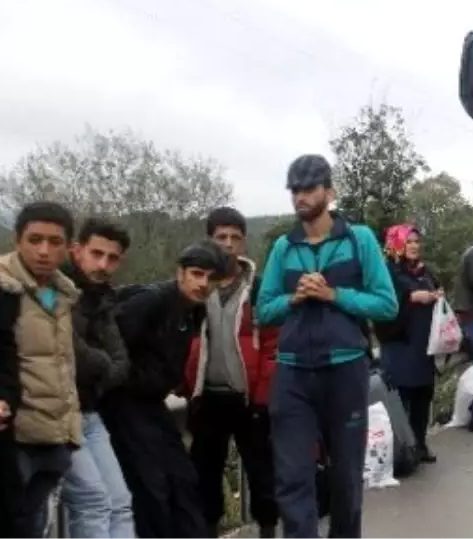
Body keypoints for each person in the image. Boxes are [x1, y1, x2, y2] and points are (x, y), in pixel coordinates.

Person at [255, 154, 398, 539]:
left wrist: (334, 294)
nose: (300, 196)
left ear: (329, 192)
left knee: (346, 477)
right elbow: (264, 310)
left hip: (345, 369)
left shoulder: (359, 239)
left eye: (309, 188)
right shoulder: (284, 248)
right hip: (292, 374)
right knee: (292, 478)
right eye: (295, 190)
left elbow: (387, 304)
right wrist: (294, 298)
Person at [101, 240, 229, 539]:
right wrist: (132, 378)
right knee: (151, 486)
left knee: (183, 477)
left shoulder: (192, 311)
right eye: (197, 274)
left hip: (152, 403)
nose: (203, 284)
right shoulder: (152, 301)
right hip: (124, 403)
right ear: (180, 273)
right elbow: (108, 342)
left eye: (211, 278)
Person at [184, 207, 279, 539]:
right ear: (209, 240)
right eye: (220, 237)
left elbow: (272, 346)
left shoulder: (260, 288)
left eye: (234, 237)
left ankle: (268, 530)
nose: (227, 244)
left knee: (261, 472)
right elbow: (183, 341)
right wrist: (187, 387)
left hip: (248, 399)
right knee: (204, 474)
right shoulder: (195, 287)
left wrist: (263, 398)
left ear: (244, 242)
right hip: (208, 397)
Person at [0, 201, 83, 539]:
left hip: (53, 435)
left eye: (54, 241)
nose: (44, 251)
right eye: (35, 240)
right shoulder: (2, 285)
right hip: (12, 435)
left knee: (33, 526)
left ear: (68, 248)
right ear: (17, 240)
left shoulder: (63, 292)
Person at [58, 218, 135, 539]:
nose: (103, 265)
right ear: (77, 250)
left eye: (112, 258)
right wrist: (103, 365)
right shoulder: (54, 290)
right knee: (93, 502)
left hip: (90, 413)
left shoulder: (103, 298)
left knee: (120, 502)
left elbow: (122, 363)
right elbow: (67, 349)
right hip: (59, 414)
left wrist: (100, 369)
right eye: (97, 254)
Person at [374, 224, 442, 463]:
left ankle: (420, 444)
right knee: (401, 397)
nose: (414, 246)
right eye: (408, 242)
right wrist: (411, 298)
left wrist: (437, 297)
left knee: (423, 394)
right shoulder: (387, 272)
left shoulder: (426, 272)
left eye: (416, 241)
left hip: (424, 345)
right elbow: (382, 305)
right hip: (400, 344)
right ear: (396, 245)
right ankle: (403, 449)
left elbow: (436, 289)